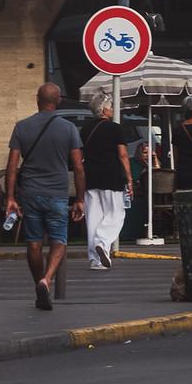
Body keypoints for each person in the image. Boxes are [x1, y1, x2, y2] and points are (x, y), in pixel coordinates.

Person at [3, 83, 85, 311]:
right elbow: (78, 167)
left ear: (37, 99)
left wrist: (10, 197)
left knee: (34, 242)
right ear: (58, 101)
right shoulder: (69, 129)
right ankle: (46, 280)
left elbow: (11, 166)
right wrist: (80, 198)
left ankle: (38, 282)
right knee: (59, 240)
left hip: (30, 192)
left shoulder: (22, 127)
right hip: (57, 192)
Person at [80, 98, 134, 270]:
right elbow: (123, 155)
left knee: (93, 217)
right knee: (116, 214)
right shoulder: (114, 128)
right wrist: (129, 178)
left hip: (90, 176)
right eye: (111, 108)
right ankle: (102, 243)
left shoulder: (85, 129)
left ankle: (96, 260)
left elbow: (79, 154)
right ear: (104, 110)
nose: (112, 110)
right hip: (111, 175)